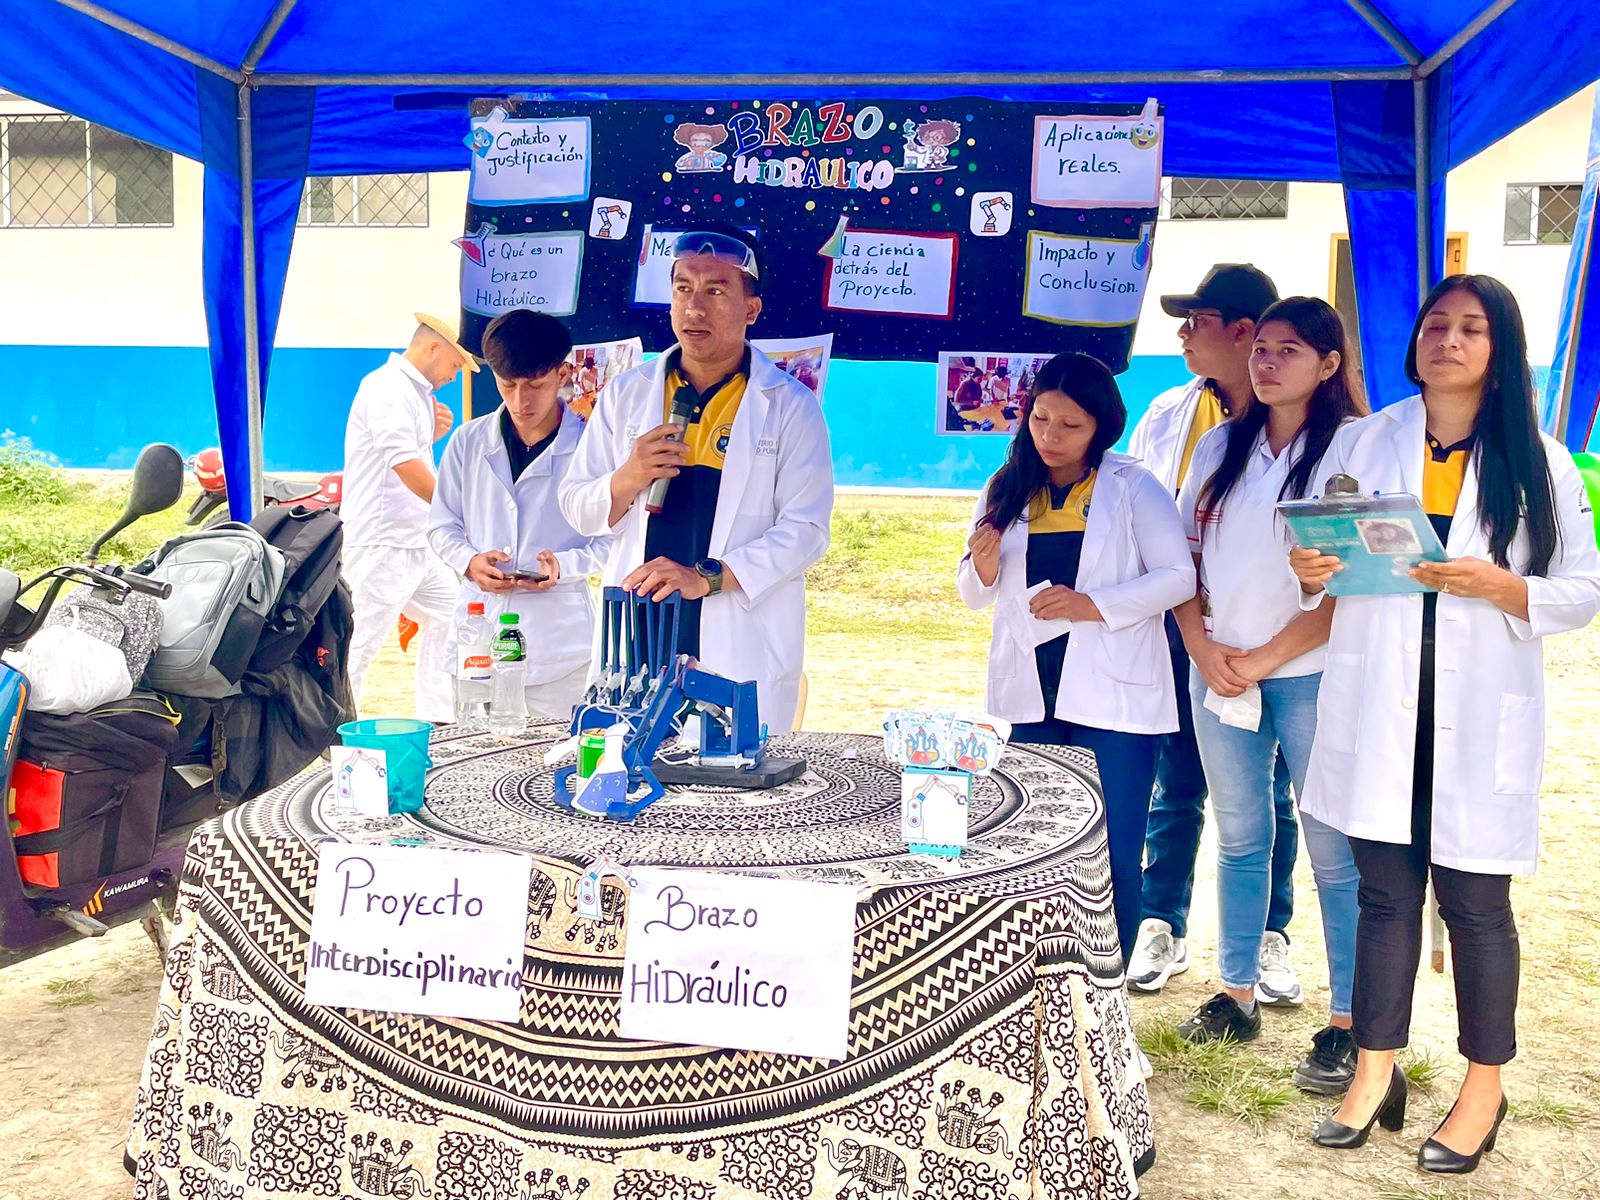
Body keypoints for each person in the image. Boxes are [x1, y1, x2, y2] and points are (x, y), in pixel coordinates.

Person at [1295, 276, 1600, 1170]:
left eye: (1471, 328)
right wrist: (1309, 569)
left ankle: (1483, 1088)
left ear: (1500, 350)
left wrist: (1505, 588)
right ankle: (1375, 1070)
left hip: (1475, 711)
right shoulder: (1364, 439)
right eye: (1436, 324)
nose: (1449, 340)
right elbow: (1317, 552)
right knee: (1384, 896)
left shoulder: (1538, 461)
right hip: (1380, 702)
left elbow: (1583, 589)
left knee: (1475, 906)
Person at [1173, 297, 1368, 1096]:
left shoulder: (1353, 448)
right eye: (1261, 347)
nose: (1268, 362)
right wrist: (1203, 649)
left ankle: (1350, 1020)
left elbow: (1353, 583)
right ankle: (1236, 994)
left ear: (1329, 364)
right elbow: (1181, 562)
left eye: (1290, 350)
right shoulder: (1221, 445)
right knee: (1241, 837)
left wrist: (1265, 657)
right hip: (1221, 670)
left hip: (1313, 671)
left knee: (1335, 851)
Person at [958, 352, 1194, 961]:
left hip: (1114, 698)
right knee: (1033, 842)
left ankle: (1110, 984)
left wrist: (1094, 605)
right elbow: (973, 593)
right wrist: (983, 565)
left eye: (1070, 425)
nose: (1050, 436)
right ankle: (1042, 978)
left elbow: (1178, 578)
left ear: (1102, 428)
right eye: (1040, 419)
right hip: (1030, 691)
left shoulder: (1132, 486)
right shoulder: (1007, 486)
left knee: (1113, 849)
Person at [557, 225, 833, 733]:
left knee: (732, 768)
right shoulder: (625, 394)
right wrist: (628, 477)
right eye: (682, 289)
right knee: (629, 756)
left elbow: (807, 531)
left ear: (751, 310)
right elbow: (577, 506)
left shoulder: (790, 406)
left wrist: (706, 577)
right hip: (640, 627)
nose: (694, 308)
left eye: (715, 291)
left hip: (736, 632)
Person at [1126, 263, 1305, 1008]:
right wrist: (1195, 637)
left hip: (1277, 638)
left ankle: (1269, 934)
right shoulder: (1171, 412)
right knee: (1177, 780)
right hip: (1186, 629)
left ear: (1243, 332)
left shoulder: (1307, 427)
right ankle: (1160, 922)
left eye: (1196, 321)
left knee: (1270, 792)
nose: (1182, 334)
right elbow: (1150, 523)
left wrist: (1265, 645)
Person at [427, 309, 613, 721]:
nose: (520, 401)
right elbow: (442, 526)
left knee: (559, 750)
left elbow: (613, 540)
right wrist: (469, 562)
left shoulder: (593, 448)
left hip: (560, 649)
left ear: (563, 374)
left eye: (535, 385)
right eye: (507, 385)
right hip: (479, 637)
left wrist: (565, 566)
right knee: (476, 750)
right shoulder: (467, 442)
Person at [342, 313, 473, 722]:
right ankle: (331, 737)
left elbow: (407, 457)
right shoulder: (387, 387)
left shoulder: (412, 393)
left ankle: (439, 717)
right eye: (456, 364)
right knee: (357, 646)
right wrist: (458, 510)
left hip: (414, 540)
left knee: (454, 615)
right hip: (383, 541)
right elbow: (404, 464)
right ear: (434, 347)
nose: (454, 376)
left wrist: (430, 437)